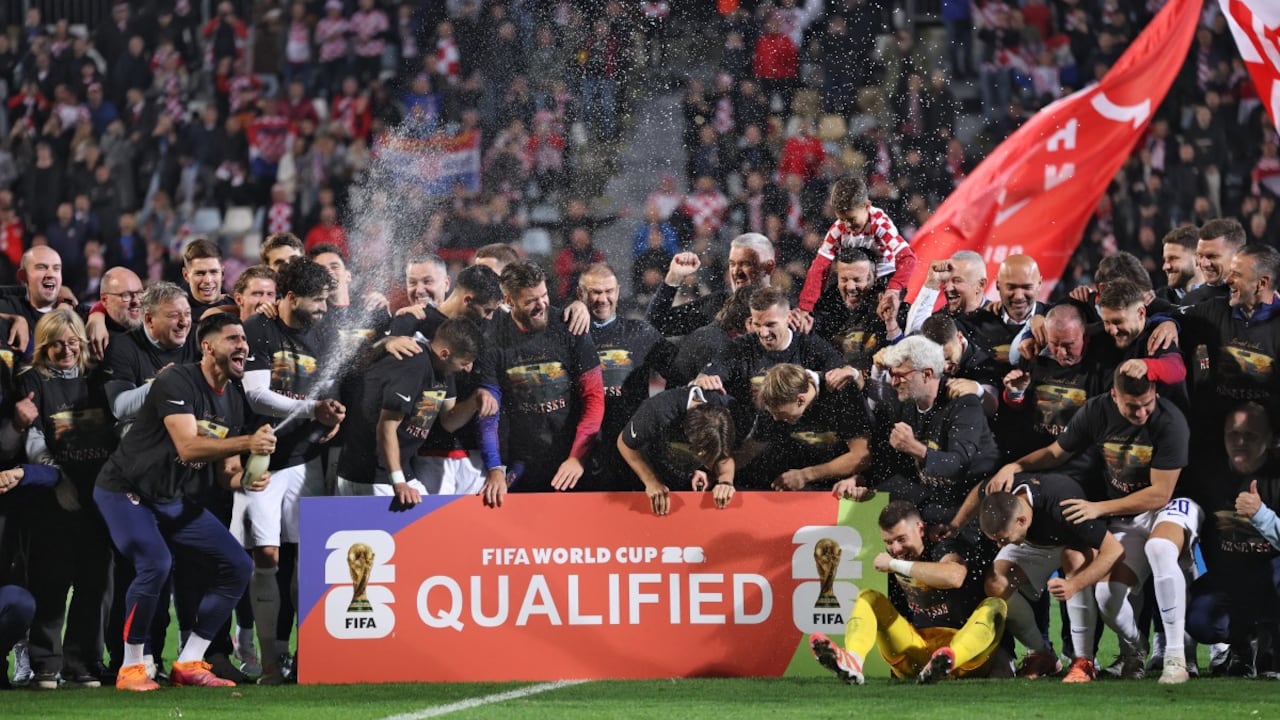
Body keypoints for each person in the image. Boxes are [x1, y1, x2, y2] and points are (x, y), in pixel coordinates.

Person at [94, 313, 275, 691]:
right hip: (126, 490)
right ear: (207, 346)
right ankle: (130, 668)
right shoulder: (176, 380)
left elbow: (227, 474)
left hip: (170, 498)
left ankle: (190, 661)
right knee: (156, 564)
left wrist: (248, 477)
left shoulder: (235, 401)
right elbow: (188, 446)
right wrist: (247, 444)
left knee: (237, 565)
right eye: (233, 339)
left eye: (244, 339)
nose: (243, 345)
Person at [987, 369, 1197, 684]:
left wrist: (1098, 508)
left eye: (1147, 404)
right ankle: (1133, 652)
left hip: (1170, 506)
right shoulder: (1097, 411)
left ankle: (1176, 658)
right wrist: (1017, 465)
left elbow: (1160, 493)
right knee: (1107, 597)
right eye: (1132, 407)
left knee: (1160, 548)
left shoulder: (1170, 421)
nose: (1140, 413)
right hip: (1125, 515)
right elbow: (1057, 453)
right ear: (1115, 396)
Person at [235, 257, 345, 684]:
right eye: (316, 301)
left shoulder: (327, 331)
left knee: (304, 561)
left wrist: (332, 412)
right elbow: (257, 395)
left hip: (305, 460)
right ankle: (268, 661)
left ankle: (306, 653)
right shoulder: (258, 330)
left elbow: (331, 389)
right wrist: (312, 408)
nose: (323, 308)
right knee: (266, 557)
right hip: (262, 460)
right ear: (291, 298)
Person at [18, 308, 116, 690]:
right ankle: (45, 663)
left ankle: (82, 662)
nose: (66, 350)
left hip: (99, 497)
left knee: (96, 581)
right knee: (51, 580)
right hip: (52, 498)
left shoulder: (98, 380)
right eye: (57, 344)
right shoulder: (33, 381)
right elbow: (34, 438)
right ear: (45, 346)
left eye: (72, 342)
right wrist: (58, 479)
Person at [809, 500, 1006, 685]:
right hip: (916, 653)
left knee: (996, 605)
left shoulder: (943, 544)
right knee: (868, 598)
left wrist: (896, 565)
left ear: (920, 529)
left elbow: (954, 577)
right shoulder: (892, 559)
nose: (895, 548)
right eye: (888, 542)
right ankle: (853, 661)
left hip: (966, 658)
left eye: (901, 539)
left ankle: (947, 659)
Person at [971, 476, 1127, 683]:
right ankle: (1041, 654)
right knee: (995, 583)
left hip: (1072, 542)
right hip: (1034, 543)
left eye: (1003, 539)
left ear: (1021, 520)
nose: (1000, 545)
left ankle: (1084, 662)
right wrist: (955, 524)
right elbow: (978, 490)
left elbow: (1115, 550)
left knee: (1073, 559)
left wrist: (1074, 584)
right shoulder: (1002, 491)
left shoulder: (1064, 506)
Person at [477, 261, 604, 505]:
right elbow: (489, 413)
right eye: (531, 301)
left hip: (575, 455)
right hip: (524, 459)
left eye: (544, 295)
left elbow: (594, 398)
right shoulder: (492, 338)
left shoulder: (570, 326)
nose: (541, 305)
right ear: (509, 301)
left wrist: (577, 457)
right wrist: (495, 468)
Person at [861, 335, 999, 535]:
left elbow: (958, 464)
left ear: (926, 374)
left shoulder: (964, 404)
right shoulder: (906, 402)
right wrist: (861, 480)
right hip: (931, 497)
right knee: (869, 503)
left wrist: (914, 448)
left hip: (970, 507)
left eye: (900, 375)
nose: (893, 382)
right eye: (891, 374)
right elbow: (887, 455)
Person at [337, 317, 484, 498]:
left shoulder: (444, 371)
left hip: (399, 470)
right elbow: (386, 428)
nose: (468, 369)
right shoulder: (412, 365)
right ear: (445, 354)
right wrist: (399, 484)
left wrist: (475, 400)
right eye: (464, 363)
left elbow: (449, 421)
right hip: (370, 475)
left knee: (431, 523)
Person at [1187, 402, 1280, 677]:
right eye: (1233, 434)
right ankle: (1243, 643)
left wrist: (1261, 515)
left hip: (1271, 576)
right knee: (1199, 619)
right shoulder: (1206, 475)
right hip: (1228, 579)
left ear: (1270, 440)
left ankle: (1273, 645)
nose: (1240, 442)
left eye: (1251, 436)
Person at [578, 263, 675, 489]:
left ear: (618, 292)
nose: (603, 299)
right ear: (580, 294)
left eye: (608, 291)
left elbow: (679, 370)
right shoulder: (570, 336)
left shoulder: (640, 332)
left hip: (635, 447)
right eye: (595, 292)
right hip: (587, 450)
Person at [795, 176, 917, 323]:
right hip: (854, 282)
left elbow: (908, 259)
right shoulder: (837, 230)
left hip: (883, 283)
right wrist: (806, 308)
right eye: (842, 219)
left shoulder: (880, 225)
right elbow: (819, 268)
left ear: (866, 206)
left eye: (851, 219)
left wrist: (893, 289)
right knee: (822, 314)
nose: (847, 226)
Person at [741, 363, 871, 492]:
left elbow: (861, 456)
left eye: (782, 414)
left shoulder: (842, 391)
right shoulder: (773, 399)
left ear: (801, 400)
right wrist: (725, 478)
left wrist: (806, 475)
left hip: (839, 485)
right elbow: (751, 448)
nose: (776, 419)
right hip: (794, 484)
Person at [617, 384, 735, 515]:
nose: (705, 460)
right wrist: (651, 481)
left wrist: (725, 482)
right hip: (649, 471)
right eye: (703, 456)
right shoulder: (658, 410)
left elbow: (724, 459)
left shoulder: (724, 410)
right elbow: (624, 444)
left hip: (688, 482)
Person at [646, 232, 774, 337]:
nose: (736, 272)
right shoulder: (718, 303)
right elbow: (656, 325)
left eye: (746, 264)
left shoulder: (788, 315)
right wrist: (674, 277)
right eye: (732, 264)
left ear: (768, 267)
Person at [1157, 226, 1202, 304]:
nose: (1165, 267)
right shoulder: (1157, 301)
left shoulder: (1222, 298)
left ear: (1197, 260)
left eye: (1173, 258)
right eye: (1165, 260)